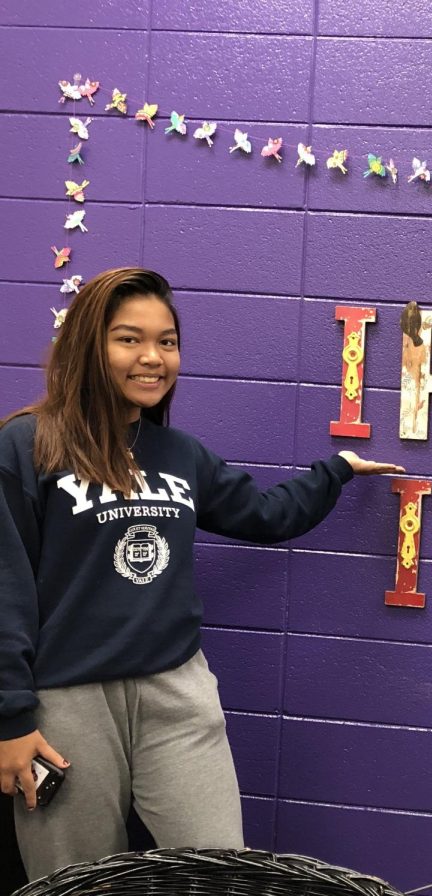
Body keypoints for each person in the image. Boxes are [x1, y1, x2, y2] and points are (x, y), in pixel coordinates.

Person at [0, 267, 405, 882]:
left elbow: (267, 514)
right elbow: (6, 591)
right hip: (67, 704)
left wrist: (337, 470)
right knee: (73, 883)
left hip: (176, 693)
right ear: (88, 345)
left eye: (167, 342)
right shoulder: (27, 446)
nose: (152, 358)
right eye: (128, 339)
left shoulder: (180, 455)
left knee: (222, 870)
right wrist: (12, 720)